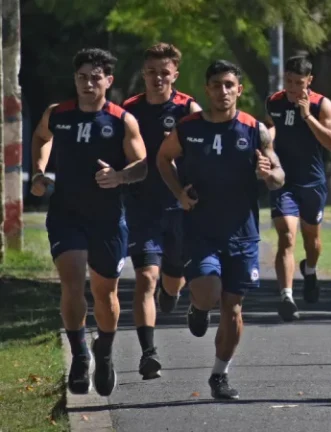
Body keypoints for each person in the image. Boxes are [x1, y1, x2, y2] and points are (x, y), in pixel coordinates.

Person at [156, 59, 284, 399]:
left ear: (239, 89)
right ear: (207, 89)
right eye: (216, 85)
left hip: (243, 233)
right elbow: (163, 158)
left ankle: (219, 375)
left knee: (234, 307)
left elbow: (279, 176)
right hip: (200, 229)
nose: (223, 91)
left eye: (229, 85)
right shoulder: (188, 128)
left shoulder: (256, 130)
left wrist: (268, 174)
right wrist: (178, 193)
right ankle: (198, 307)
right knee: (210, 293)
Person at [30, 48, 148, 396]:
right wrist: (38, 172)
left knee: (104, 292)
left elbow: (141, 164)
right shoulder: (58, 113)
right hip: (66, 213)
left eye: (95, 77)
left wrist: (120, 177)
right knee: (71, 280)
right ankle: (80, 355)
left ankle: (105, 352)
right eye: (82, 77)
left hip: (107, 218)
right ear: (75, 80)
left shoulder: (121, 119)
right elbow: (40, 138)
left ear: (108, 81)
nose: (88, 83)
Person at [122, 42, 202, 380]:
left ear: (175, 75)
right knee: (145, 279)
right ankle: (148, 354)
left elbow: (204, 152)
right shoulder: (127, 110)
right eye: (152, 72)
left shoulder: (188, 109)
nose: (158, 78)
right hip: (142, 208)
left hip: (181, 208)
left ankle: (172, 293)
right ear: (144, 73)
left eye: (164, 73)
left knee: (173, 279)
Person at [263, 56, 331, 322]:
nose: (293, 88)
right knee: (286, 237)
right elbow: (272, 128)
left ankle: (310, 269)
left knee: (312, 241)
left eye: (299, 82)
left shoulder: (321, 104)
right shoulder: (274, 101)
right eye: (289, 81)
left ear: (310, 81)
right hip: (284, 180)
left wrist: (307, 116)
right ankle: (286, 296)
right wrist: (266, 146)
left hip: (312, 182)